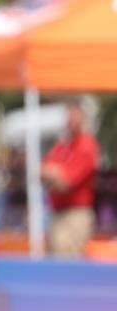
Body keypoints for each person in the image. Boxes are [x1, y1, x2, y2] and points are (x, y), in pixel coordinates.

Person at [41, 99, 100, 257]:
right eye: (68, 116)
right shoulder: (62, 146)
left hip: (75, 214)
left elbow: (66, 182)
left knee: (67, 260)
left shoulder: (87, 145)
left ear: (82, 118)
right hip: (57, 212)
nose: (69, 120)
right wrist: (54, 174)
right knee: (54, 259)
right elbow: (43, 171)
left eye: (73, 116)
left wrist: (54, 175)